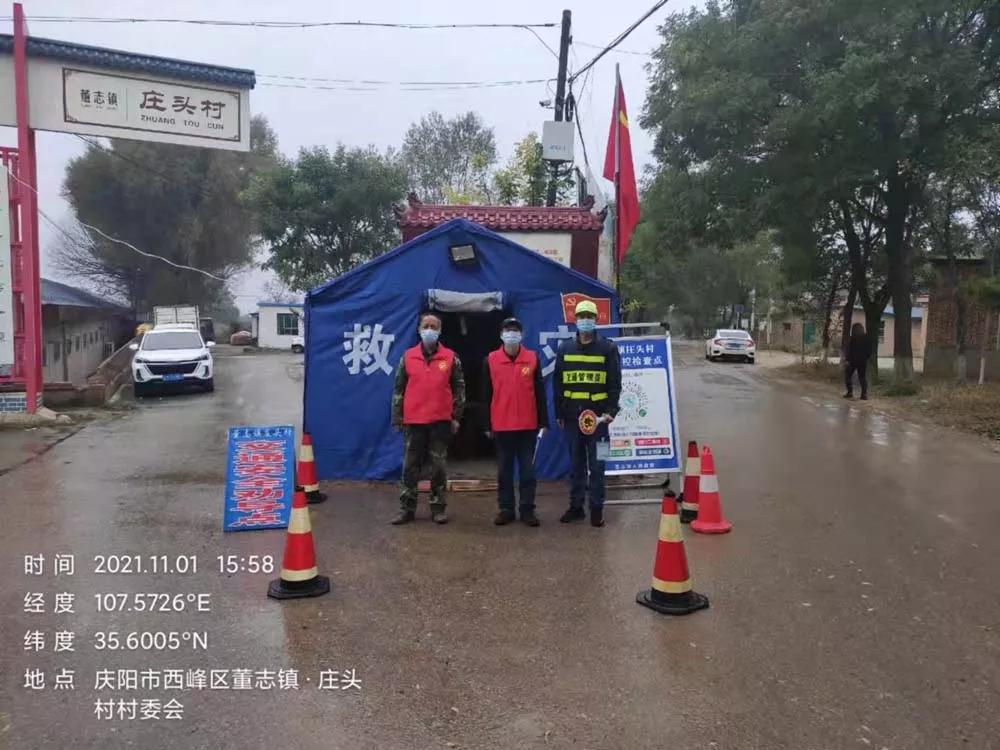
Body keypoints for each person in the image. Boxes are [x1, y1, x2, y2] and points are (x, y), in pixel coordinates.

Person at [390, 312, 466, 525]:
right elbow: (398, 388)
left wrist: (456, 416)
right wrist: (397, 417)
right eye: (426, 326)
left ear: (440, 331)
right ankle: (407, 508)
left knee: (438, 467)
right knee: (410, 466)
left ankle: (438, 508)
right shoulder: (408, 357)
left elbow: (459, 387)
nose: (430, 330)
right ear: (419, 329)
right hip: (413, 421)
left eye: (434, 326)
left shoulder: (450, 357)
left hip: (440, 420)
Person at [553, 300, 622, 527]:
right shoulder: (564, 349)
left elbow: (615, 383)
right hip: (573, 420)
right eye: (581, 316)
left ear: (596, 320)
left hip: (600, 422)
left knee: (599, 465)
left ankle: (596, 509)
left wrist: (611, 411)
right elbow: (558, 384)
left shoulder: (608, 348)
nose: (585, 320)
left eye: (589, 317)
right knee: (576, 465)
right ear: (575, 320)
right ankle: (576, 508)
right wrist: (559, 413)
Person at [483, 317, 549, 527]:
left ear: (521, 335)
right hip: (502, 425)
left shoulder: (532, 358)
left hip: (528, 425)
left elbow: (539, 393)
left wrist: (544, 421)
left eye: (515, 331)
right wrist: (486, 424)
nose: (511, 334)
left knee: (527, 471)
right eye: (507, 330)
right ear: (501, 335)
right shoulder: (491, 360)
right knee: (504, 471)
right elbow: (486, 394)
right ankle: (506, 509)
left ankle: (527, 509)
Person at [844, 322, 871, 400]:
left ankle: (850, 392)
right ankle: (864, 395)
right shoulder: (867, 338)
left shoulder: (853, 338)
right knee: (862, 377)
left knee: (848, 376)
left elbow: (850, 350)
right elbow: (869, 350)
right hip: (862, 361)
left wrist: (847, 360)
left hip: (852, 361)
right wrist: (866, 357)